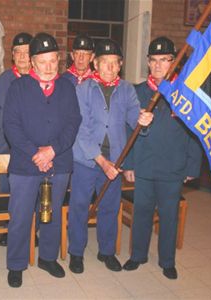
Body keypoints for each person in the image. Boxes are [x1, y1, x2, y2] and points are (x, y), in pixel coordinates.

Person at [67, 39, 153, 274]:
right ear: (96, 63)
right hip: (86, 160)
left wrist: (143, 120)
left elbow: (135, 118)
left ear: (120, 65)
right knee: (80, 206)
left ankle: (106, 251)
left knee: (109, 208)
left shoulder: (126, 89)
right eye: (105, 63)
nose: (110, 68)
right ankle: (76, 252)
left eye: (115, 64)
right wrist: (101, 161)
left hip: (115, 161)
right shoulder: (82, 89)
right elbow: (80, 131)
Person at [3, 32, 82, 288]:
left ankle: (48, 257)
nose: (48, 67)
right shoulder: (18, 87)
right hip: (25, 166)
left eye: (52, 60)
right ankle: (16, 264)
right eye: (42, 61)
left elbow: (73, 123)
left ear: (58, 59)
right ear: (32, 62)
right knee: (20, 216)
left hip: (57, 164)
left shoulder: (68, 87)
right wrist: (36, 153)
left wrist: (52, 151)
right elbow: (11, 126)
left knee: (50, 214)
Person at [122, 37, 202, 279]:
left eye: (164, 60)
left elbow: (195, 133)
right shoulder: (137, 92)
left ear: (174, 62)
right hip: (145, 164)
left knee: (169, 217)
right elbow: (128, 130)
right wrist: (129, 164)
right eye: (153, 61)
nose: (158, 66)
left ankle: (167, 261)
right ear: (148, 62)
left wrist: (192, 165)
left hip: (173, 166)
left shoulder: (186, 93)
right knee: (142, 213)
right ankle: (137, 255)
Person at [0, 32, 32, 246]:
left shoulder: (40, 78)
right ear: (13, 56)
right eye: (19, 52)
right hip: (8, 150)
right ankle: (10, 230)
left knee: (34, 193)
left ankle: (33, 231)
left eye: (27, 52)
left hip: (34, 151)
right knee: (10, 193)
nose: (23, 57)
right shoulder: (4, 81)